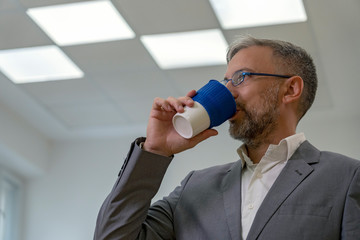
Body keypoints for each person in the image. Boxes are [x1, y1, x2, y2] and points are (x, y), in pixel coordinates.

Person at [94, 36, 360, 240]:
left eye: (240, 77)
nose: (228, 93)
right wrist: (154, 150)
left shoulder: (347, 178)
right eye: (225, 82)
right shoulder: (194, 187)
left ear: (290, 89)